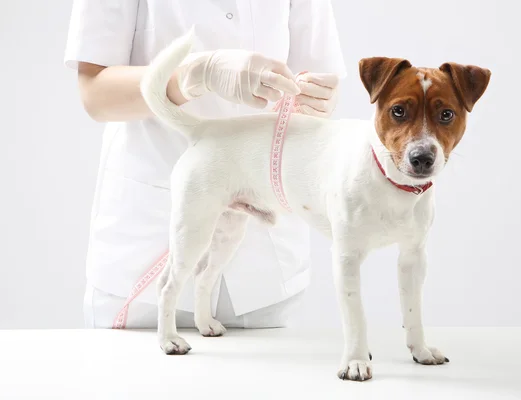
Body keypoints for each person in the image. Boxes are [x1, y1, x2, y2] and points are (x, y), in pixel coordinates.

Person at [64, 0, 347, 329]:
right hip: (147, 245)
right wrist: (194, 75)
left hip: (267, 262)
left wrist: (320, 98)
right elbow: (96, 94)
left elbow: (318, 75)